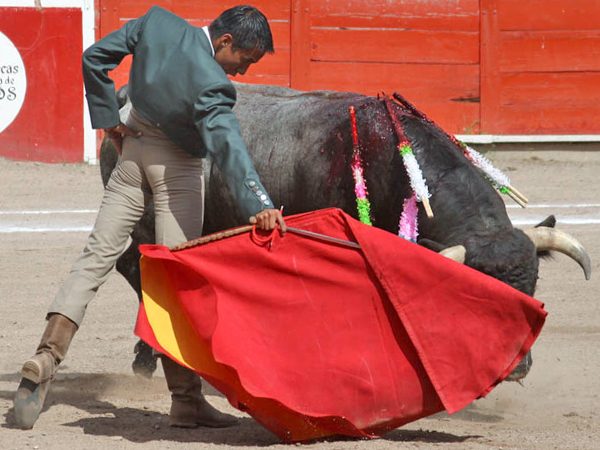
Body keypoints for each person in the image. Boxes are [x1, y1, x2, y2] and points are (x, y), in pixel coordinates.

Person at [14, 5, 286, 430]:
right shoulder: (214, 84)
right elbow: (228, 147)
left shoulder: (156, 22)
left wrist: (110, 123)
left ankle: (45, 358)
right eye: (245, 60)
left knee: (94, 259)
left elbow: (93, 58)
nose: (243, 72)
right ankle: (186, 401)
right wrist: (260, 203)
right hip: (178, 173)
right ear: (225, 42)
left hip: (131, 156)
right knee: (173, 280)